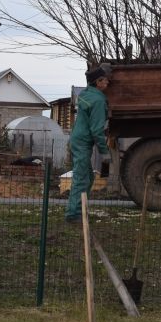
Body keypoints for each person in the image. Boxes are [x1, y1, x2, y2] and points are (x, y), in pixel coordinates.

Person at [65, 66, 111, 223]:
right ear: (98, 82)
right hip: (83, 141)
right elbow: (97, 130)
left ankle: (80, 210)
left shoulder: (85, 94)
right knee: (82, 177)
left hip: (77, 138)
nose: (108, 82)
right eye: (105, 79)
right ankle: (73, 214)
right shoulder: (98, 101)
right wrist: (104, 151)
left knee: (88, 177)